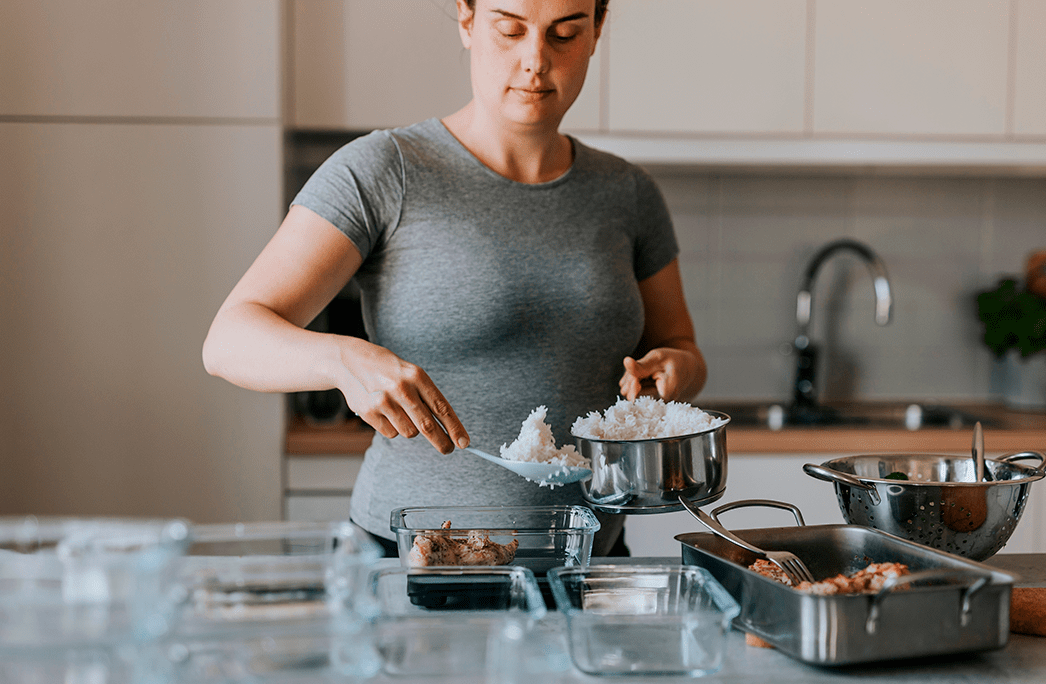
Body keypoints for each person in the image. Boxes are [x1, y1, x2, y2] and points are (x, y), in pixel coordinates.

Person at [203, 0, 706, 556]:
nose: (535, 60)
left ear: (596, 32)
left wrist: (674, 371)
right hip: (418, 559)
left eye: (564, 34)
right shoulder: (384, 169)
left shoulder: (628, 192)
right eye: (510, 30)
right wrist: (343, 360)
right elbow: (229, 339)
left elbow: (679, 347)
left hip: (586, 559)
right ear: (467, 20)